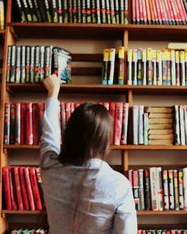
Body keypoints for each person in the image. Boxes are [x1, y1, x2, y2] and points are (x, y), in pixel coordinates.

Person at [40, 74, 137, 234]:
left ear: (69, 134)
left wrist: (53, 93)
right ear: (105, 142)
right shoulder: (119, 185)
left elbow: (49, 136)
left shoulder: (50, 168)